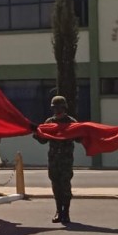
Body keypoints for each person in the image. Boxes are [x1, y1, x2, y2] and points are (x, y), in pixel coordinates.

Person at [33, 95, 77, 223]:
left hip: (66, 160)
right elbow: (43, 140)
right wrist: (36, 134)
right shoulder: (49, 122)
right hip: (53, 159)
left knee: (65, 186)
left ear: (64, 107)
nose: (57, 110)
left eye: (60, 107)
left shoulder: (71, 122)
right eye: (55, 108)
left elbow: (79, 137)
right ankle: (59, 211)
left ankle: (66, 212)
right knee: (56, 186)